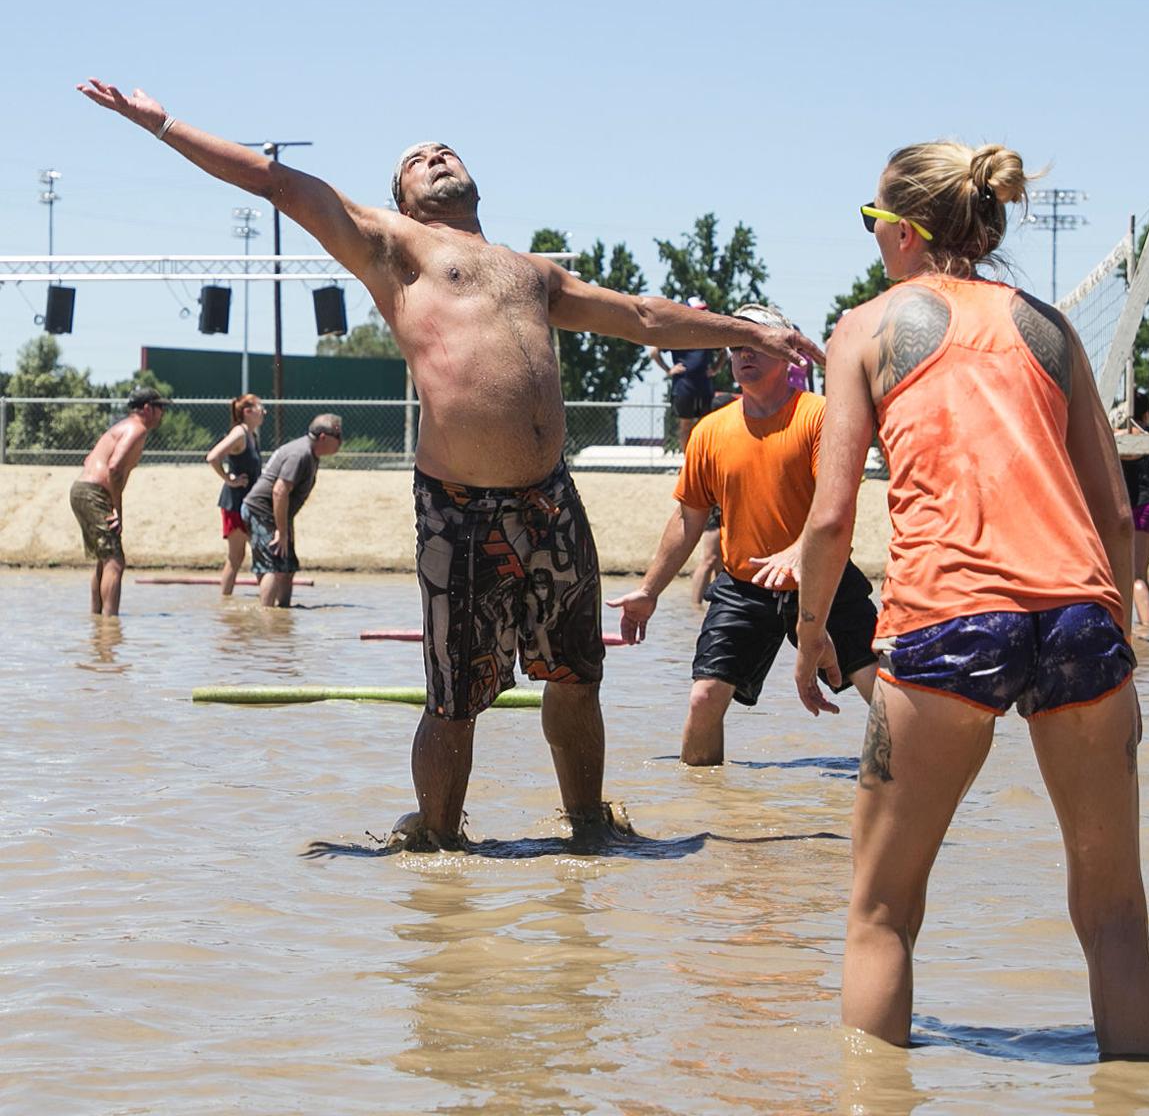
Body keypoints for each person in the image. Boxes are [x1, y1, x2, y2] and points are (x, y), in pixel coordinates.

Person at [78, 78, 822, 851]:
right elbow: (276, 181)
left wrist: (754, 332)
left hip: (551, 500)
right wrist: (163, 124)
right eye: (416, 159)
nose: (435, 157)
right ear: (400, 197)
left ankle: (591, 826)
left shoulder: (531, 272)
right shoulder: (392, 247)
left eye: (445, 150)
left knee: (576, 677)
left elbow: (637, 316)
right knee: (454, 696)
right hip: (458, 506)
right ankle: (437, 840)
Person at [790, 141, 1149, 1061]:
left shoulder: (865, 329)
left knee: (880, 912)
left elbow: (832, 517)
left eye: (875, 223)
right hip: (1078, 615)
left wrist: (808, 641)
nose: (874, 240)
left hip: (945, 615)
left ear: (909, 231)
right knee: (1116, 914)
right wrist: (1111, 635)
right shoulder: (1050, 328)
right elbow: (1115, 510)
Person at [609, 304, 877, 766]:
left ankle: (915, 791)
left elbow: (837, 504)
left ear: (787, 352)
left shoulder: (820, 416)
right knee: (704, 699)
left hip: (823, 577)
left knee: (885, 689)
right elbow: (688, 518)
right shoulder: (710, 431)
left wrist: (799, 551)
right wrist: (649, 590)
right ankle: (706, 809)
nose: (743, 354)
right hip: (743, 586)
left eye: (756, 343)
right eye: (736, 346)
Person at [69, 386, 167, 616]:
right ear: (147, 409)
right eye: (160, 407)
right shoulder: (137, 428)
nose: (163, 413)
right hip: (94, 493)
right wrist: (116, 508)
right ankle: (109, 626)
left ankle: (98, 620)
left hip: (82, 490)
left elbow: (90, 460)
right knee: (115, 562)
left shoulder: (120, 427)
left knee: (105, 560)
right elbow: (114, 467)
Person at [240, 414, 342, 607]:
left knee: (287, 566)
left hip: (276, 515)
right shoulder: (300, 454)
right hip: (260, 511)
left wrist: (287, 528)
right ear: (323, 437)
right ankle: (268, 618)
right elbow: (279, 491)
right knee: (272, 565)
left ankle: (283, 613)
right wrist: (281, 531)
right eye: (338, 437)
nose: (341, 442)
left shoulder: (311, 454)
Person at [1112, 391, 1149, 625]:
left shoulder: (1126, 437)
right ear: (1146, 413)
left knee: (1135, 576)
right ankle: (1146, 622)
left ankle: (1146, 629)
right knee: (1142, 572)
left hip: (1141, 508)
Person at [206, 393, 265, 596]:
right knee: (237, 557)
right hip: (235, 503)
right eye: (260, 408)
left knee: (258, 553)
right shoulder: (239, 433)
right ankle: (226, 601)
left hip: (250, 503)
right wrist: (229, 479)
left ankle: (267, 597)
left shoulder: (252, 435)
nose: (264, 412)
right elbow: (213, 457)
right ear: (247, 412)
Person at [688, 389, 739, 607]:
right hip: (713, 507)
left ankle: (717, 604)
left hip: (728, 507)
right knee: (709, 559)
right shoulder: (710, 435)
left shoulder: (728, 434)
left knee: (722, 561)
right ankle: (695, 607)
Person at [650, 297, 718, 448]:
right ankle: (688, 461)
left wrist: (715, 369)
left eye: (703, 310)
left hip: (704, 385)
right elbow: (654, 352)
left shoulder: (709, 333)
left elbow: (725, 353)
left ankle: (703, 463)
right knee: (685, 425)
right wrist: (669, 370)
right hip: (684, 385)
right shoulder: (677, 333)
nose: (702, 314)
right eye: (698, 311)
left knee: (706, 425)